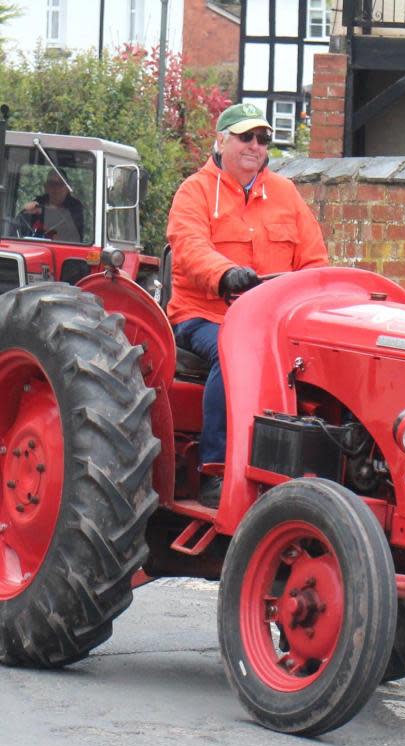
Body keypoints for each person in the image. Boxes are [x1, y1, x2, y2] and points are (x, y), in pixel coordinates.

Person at [166, 102, 329, 507]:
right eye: (245, 137)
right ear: (221, 141)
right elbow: (190, 249)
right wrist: (225, 274)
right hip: (204, 315)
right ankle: (215, 468)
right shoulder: (195, 192)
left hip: (272, 324)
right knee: (234, 351)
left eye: (262, 139)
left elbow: (313, 262)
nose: (255, 146)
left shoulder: (285, 194)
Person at [19, 171, 86, 242]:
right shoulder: (40, 202)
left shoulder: (75, 206)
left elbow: (69, 224)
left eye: (60, 184)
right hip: (35, 245)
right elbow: (20, 222)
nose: (56, 188)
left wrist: (42, 211)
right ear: (46, 187)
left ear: (67, 188)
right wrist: (26, 210)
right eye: (51, 184)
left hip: (66, 248)